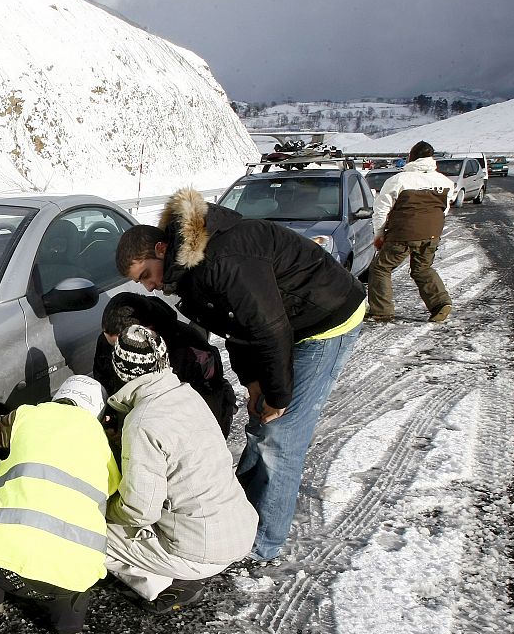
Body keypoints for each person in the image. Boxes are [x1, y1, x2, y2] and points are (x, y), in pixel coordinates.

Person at [114, 188, 365, 562]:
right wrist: (252, 384)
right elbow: (237, 328)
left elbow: (269, 328)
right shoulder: (193, 272)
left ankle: (263, 542)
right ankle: (244, 515)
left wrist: (278, 396)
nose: (149, 286)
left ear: (162, 250)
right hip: (288, 322)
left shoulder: (225, 258)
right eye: (142, 283)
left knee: (281, 436)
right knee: (260, 422)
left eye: (146, 275)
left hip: (327, 319)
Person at [0, 375, 120, 634]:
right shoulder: (104, 446)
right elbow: (110, 489)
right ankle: (68, 624)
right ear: (99, 413)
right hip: (71, 579)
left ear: (59, 397)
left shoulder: (28, 415)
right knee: (79, 534)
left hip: (2, 565)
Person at [104, 325, 258, 611]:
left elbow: (140, 511)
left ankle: (164, 584)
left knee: (91, 532)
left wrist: (104, 510)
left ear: (121, 371)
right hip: (239, 528)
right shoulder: (187, 396)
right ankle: (177, 567)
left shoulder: (143, 422)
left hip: (200, 550)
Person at [91, 292, 237, 437]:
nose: (117, 353)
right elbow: (103, 382)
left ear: (146, 332)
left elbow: (207, 411)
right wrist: (112, 419)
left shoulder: (192, 351)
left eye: (119, 346)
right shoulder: (109, 340)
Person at [366, 140, 455, 323]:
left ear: (411, 157)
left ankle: (381, 311)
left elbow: (381, 210)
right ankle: (440, 304)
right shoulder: (444, 181)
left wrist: (379, 235)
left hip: (402, 233)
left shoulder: (399, 180)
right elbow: (444, 208)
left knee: (381, 268)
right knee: (422, 268)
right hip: (432, 233)